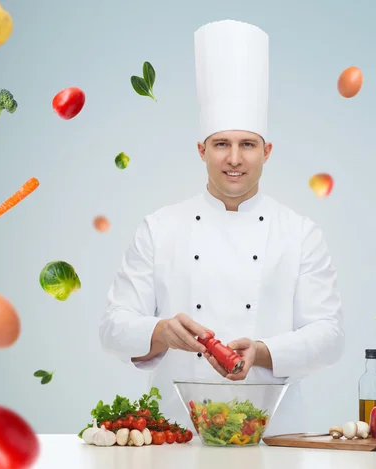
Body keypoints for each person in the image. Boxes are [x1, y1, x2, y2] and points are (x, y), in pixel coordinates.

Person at [99, 19, 345, 436]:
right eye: (221, 144)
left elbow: (330, 336)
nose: (234, 158)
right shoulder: (159, 228)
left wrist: (264, 351)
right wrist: (159, 331)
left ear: (267, 152)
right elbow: (112, 328)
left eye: (247, 144)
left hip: (273, 435)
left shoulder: (300, 232)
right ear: (202, 150)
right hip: (173, 434)